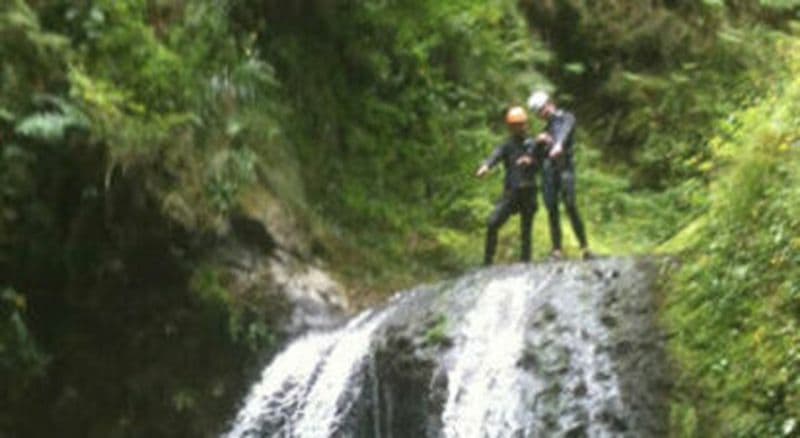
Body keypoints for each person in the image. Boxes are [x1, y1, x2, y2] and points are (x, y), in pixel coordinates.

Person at [527, 91, 592, 260]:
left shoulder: (566, 118)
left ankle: (584, 247)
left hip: (565, 168)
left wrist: (558, 145)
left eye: (543, 109)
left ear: (550, 103)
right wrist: (537, 143)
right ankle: (557, 249)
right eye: (539, 112)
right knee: (552, 208)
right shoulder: (545, 130)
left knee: (570, 205)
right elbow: (535, 155)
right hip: (549, 172)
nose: (542, 114)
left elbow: (565, 131)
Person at [476, 106, 540, 265]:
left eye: (520, 124)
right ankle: (487, 263)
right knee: (493, 223)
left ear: (525, 124)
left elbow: (542, 161)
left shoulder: (534, 144)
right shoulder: (508, 145)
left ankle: (526, 263)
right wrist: (486, 166)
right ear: (510, 127)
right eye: (514, 125)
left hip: (529, 192)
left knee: (526, 231)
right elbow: (496, 155)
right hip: (511, 193)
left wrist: (531, 160)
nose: (517, 128)